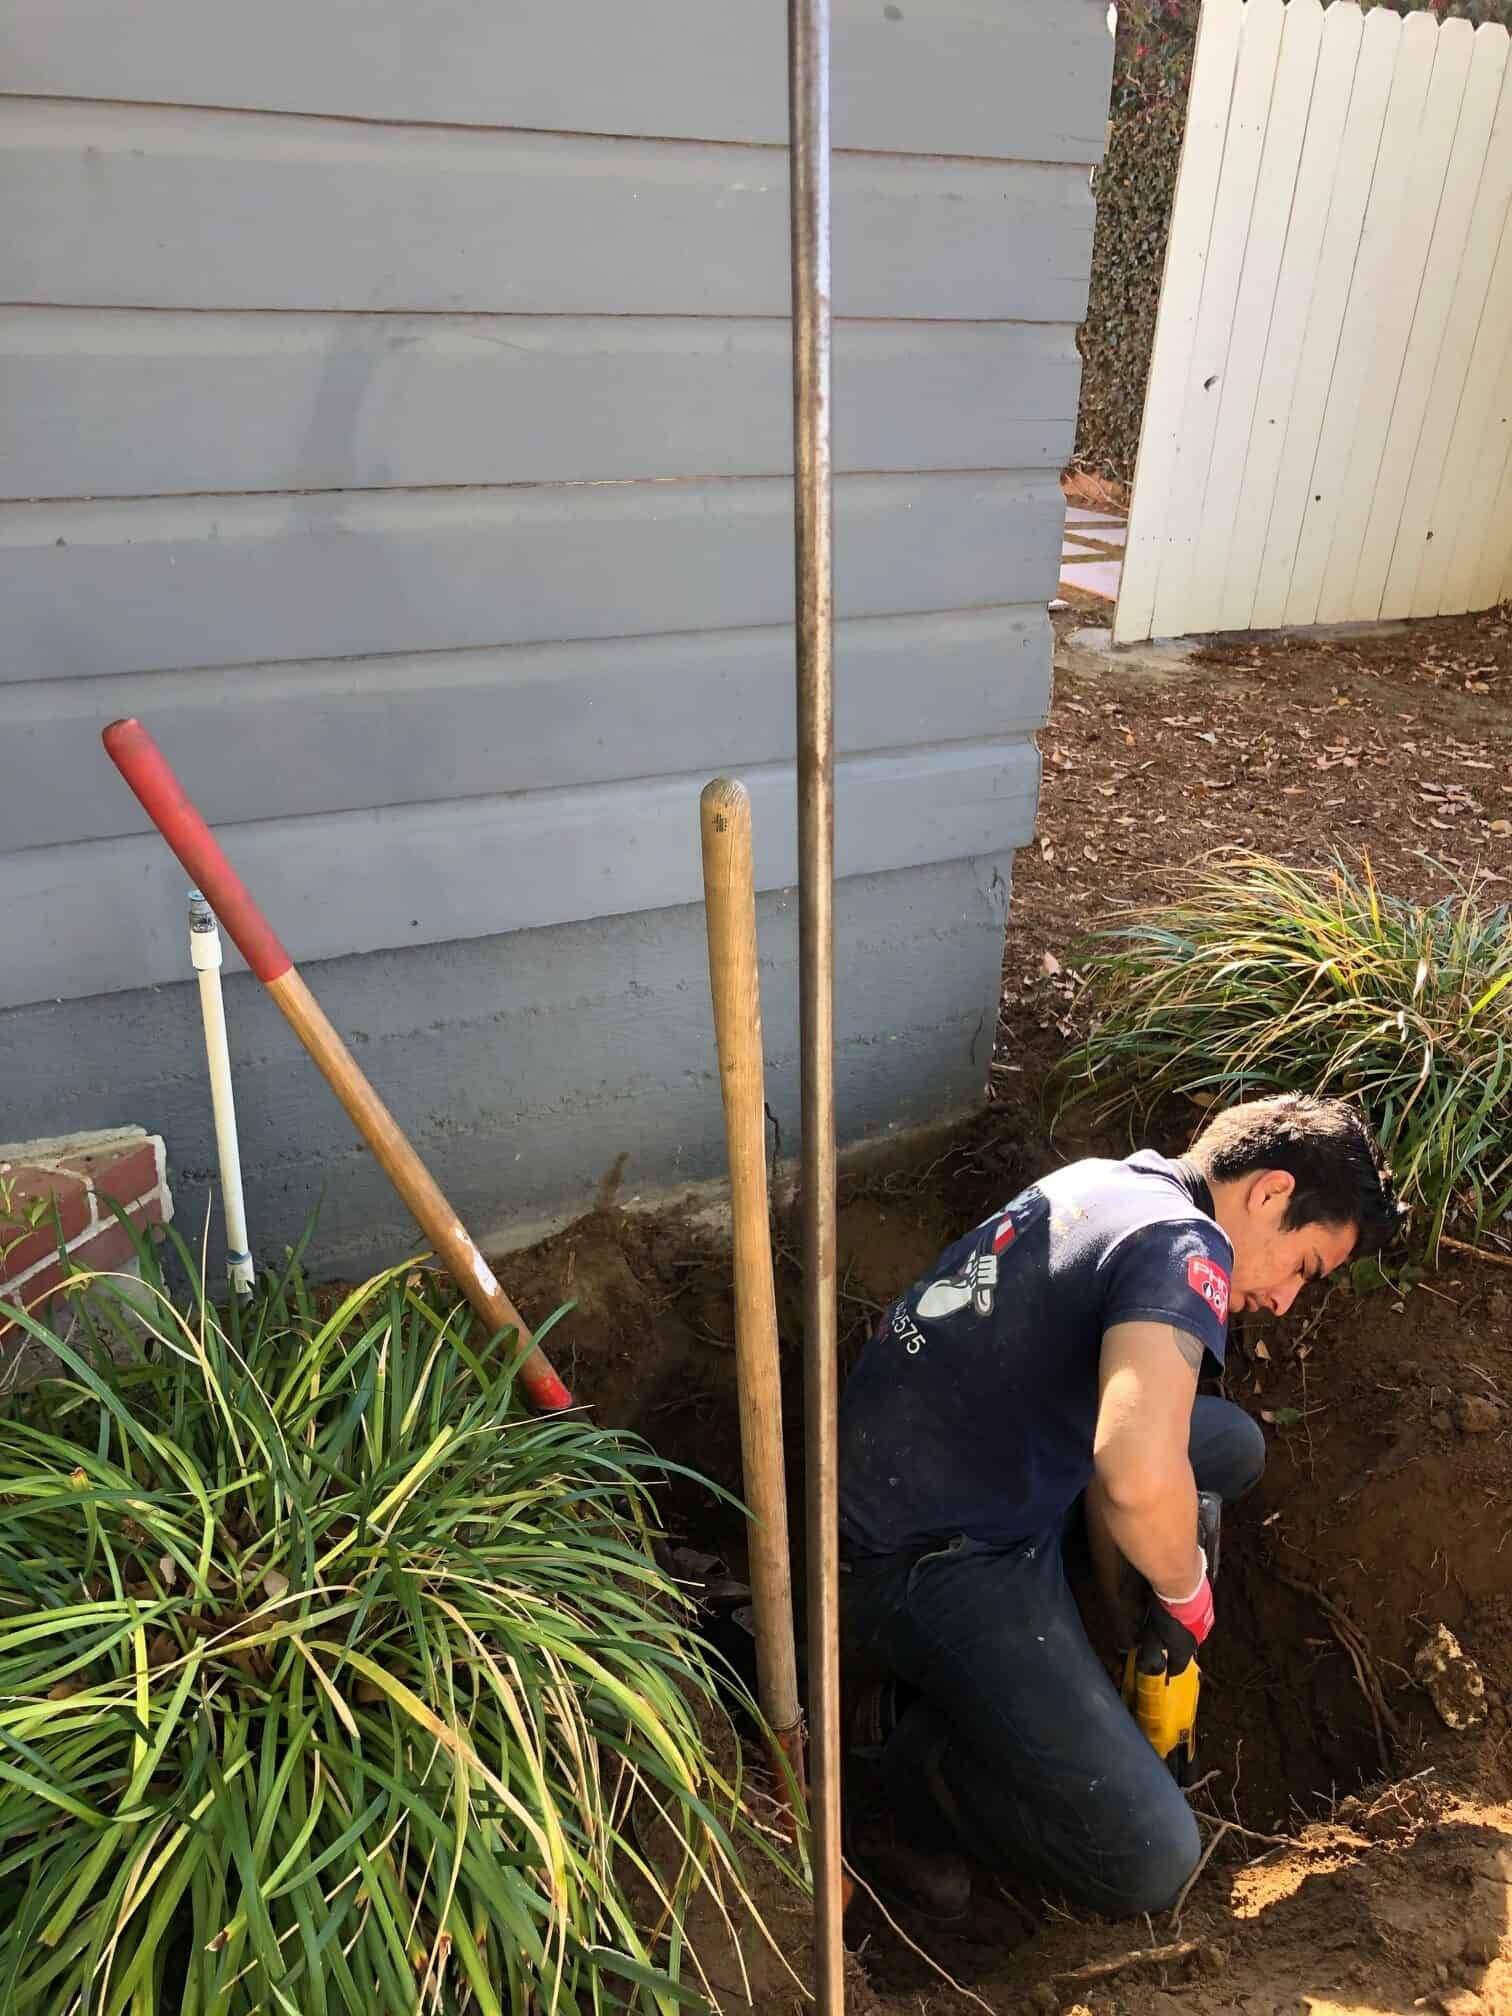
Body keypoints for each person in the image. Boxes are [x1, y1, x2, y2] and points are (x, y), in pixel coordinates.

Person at [838, 1094, 1400, 1923]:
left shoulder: (1119, 1182)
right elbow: (1135, 1478)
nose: (1285, 1300)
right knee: (1151, 1859)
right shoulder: (1188, 1246)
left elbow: (1132, 1444)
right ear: (1271, 1193)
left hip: (942, 1467)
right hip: (924, 1555)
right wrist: (1182, 1593)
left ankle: (1068, 1625)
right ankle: (901, 1750)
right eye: (1304, 1267)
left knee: (1228, 1445)